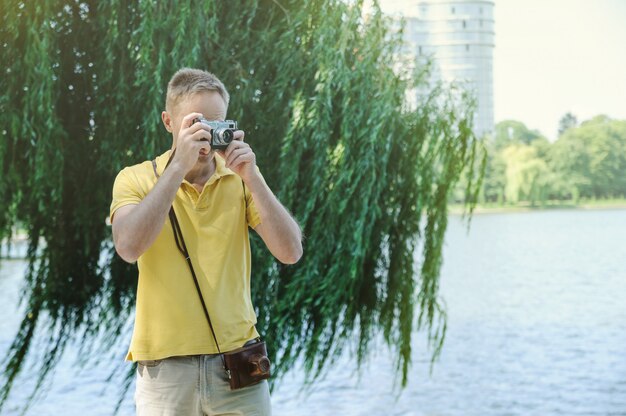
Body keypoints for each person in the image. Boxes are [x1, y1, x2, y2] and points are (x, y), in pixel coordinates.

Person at [109, 67, 302, 416]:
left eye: (216, 125)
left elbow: (290, 252)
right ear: (169, 122)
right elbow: (128, 246)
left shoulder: (240, 181)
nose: (207, 136)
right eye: (196, 124)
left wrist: (253, 176)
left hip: (239, 366)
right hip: (165, 373)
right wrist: (177, 169)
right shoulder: (135, 179)